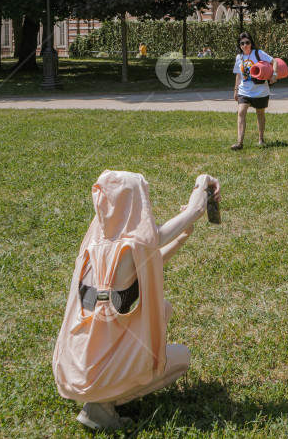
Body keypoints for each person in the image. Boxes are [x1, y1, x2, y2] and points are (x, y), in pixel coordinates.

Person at [52, 170, 222, 430]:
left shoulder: (95, 244)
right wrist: (204, 179)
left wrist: (182, 236)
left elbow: (146, 264)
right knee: (181, 358)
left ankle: (100, 394)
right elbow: (197, 208)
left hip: (72, 369)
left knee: (164, 309)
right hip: (94, 376)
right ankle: (102, 405)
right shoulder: (132, 247)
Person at [231, 31, 279, 150]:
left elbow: (275, 61)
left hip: (260, 90)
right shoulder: (239, 57)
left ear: (251, 43)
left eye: (247, 42)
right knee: (241, 111)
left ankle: (261, 139)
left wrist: (274, 74)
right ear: (240, 45)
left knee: (260, 114)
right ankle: (239, 143)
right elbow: (238, 74)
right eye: (242, 43)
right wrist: (236, 89)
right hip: (244, 90)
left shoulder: (258, 53)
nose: (245, 45)